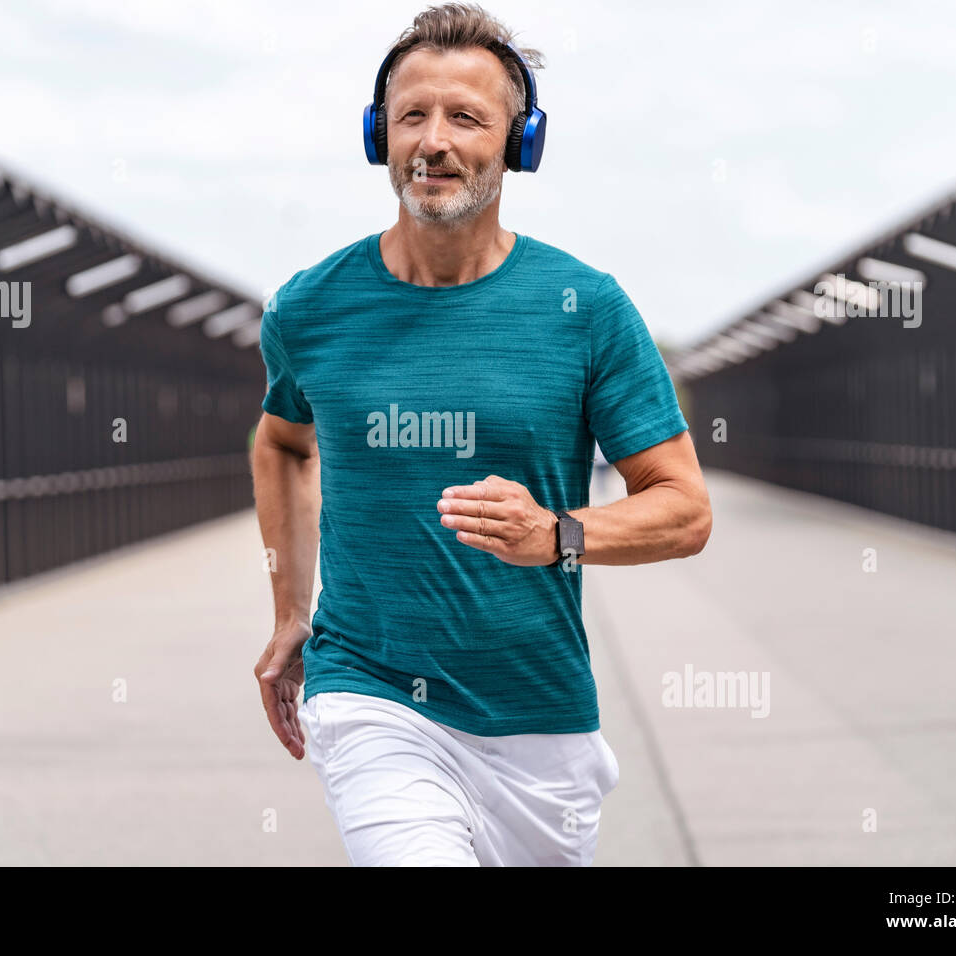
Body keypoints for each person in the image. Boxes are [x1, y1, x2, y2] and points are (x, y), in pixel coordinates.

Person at [250, 2, 711, 866]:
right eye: (411, 116)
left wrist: (556, 535)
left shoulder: (586, 310)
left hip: (540, 721)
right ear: (377, 136)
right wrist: (289, 611)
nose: (434, 140)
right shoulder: (310, 308)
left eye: (466, 117)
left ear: (519, 143)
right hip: (368, 692)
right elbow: (280, 441)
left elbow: (684, 510)